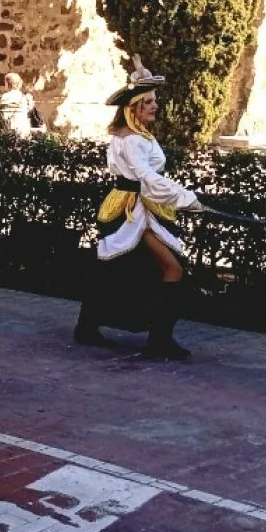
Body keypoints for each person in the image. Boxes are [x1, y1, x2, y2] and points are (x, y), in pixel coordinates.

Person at [73, 61, 202, 360]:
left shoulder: (132, 135)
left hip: (135, 206)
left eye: (155, 100)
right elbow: (147, 179)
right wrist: (186, 198)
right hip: (134, 211)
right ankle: (159, 340)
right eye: (149, 102)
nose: (155, 106)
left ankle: (89, 326)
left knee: (122, 269)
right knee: (171, 268)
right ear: (133, 108)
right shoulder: (132, 140)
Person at [0, 72, 35, 136]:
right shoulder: (24, 97)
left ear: (8, 84)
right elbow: (28, 111)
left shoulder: (5, 97)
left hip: (11, 131)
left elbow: (3, 116)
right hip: (24, 131)